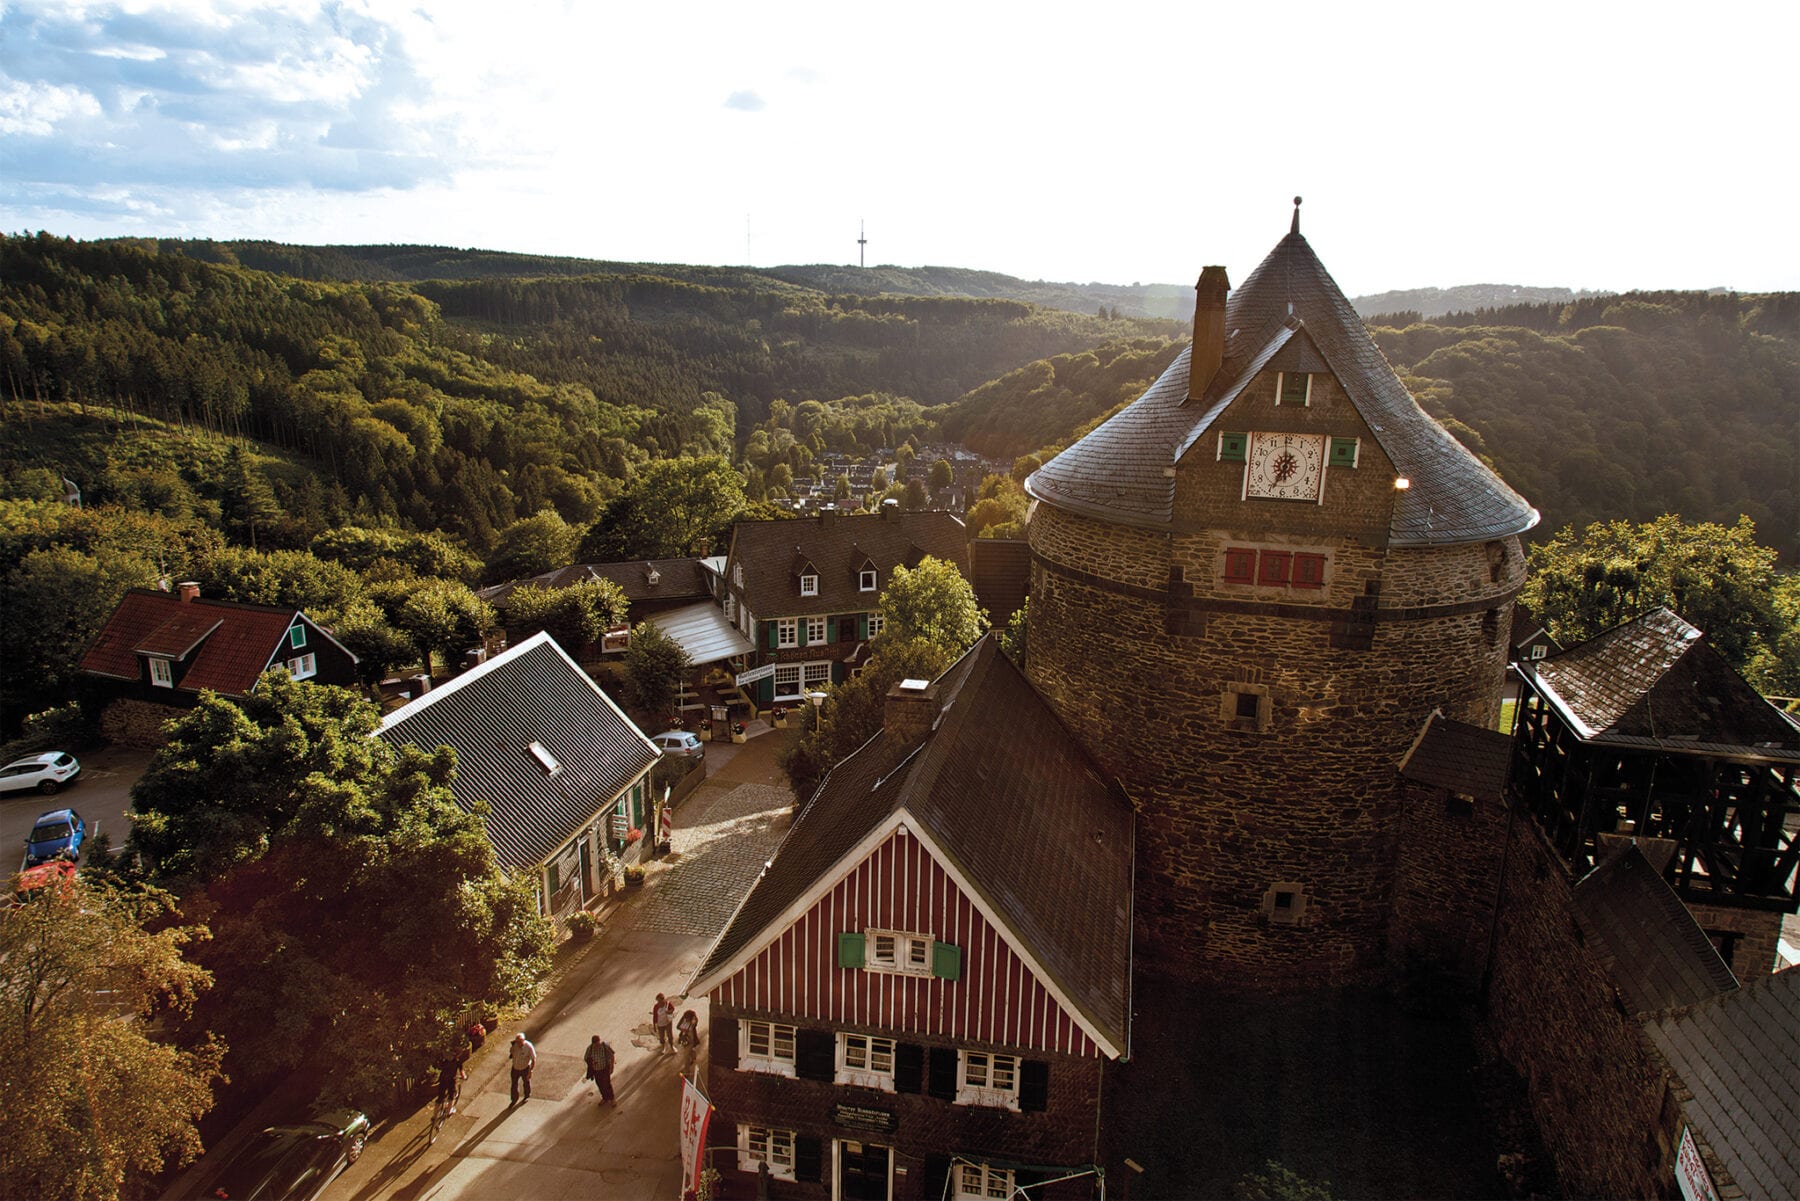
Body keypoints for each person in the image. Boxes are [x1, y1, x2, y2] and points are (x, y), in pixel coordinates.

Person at [585, 1034, 616, 1105]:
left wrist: (612, 1067)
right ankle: (605, 1098)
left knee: (607, 1084)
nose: (597, 1046)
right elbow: (586, 1058)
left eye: (598, 1043)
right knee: (600, 1084)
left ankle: (612, 1098)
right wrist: (592, 1062)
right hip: (596, 1071)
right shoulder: (590, 1049)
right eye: (595, 1044)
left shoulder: (605, 1046)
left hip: (605, 1069)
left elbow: (612, 1055)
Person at [509, 1032, 537, 1104]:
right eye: (517, 1041)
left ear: (523, 1040)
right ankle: (514, 1099)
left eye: (520, 1042)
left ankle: (527, 1095)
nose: (518, 1044)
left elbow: (533, 1059)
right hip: (515, 1068)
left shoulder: (529, 1047)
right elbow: (511, 1053)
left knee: (526, 1083)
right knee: (514, 1084)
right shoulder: (514, 1045)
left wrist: (531, 1071)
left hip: (525, 1068)